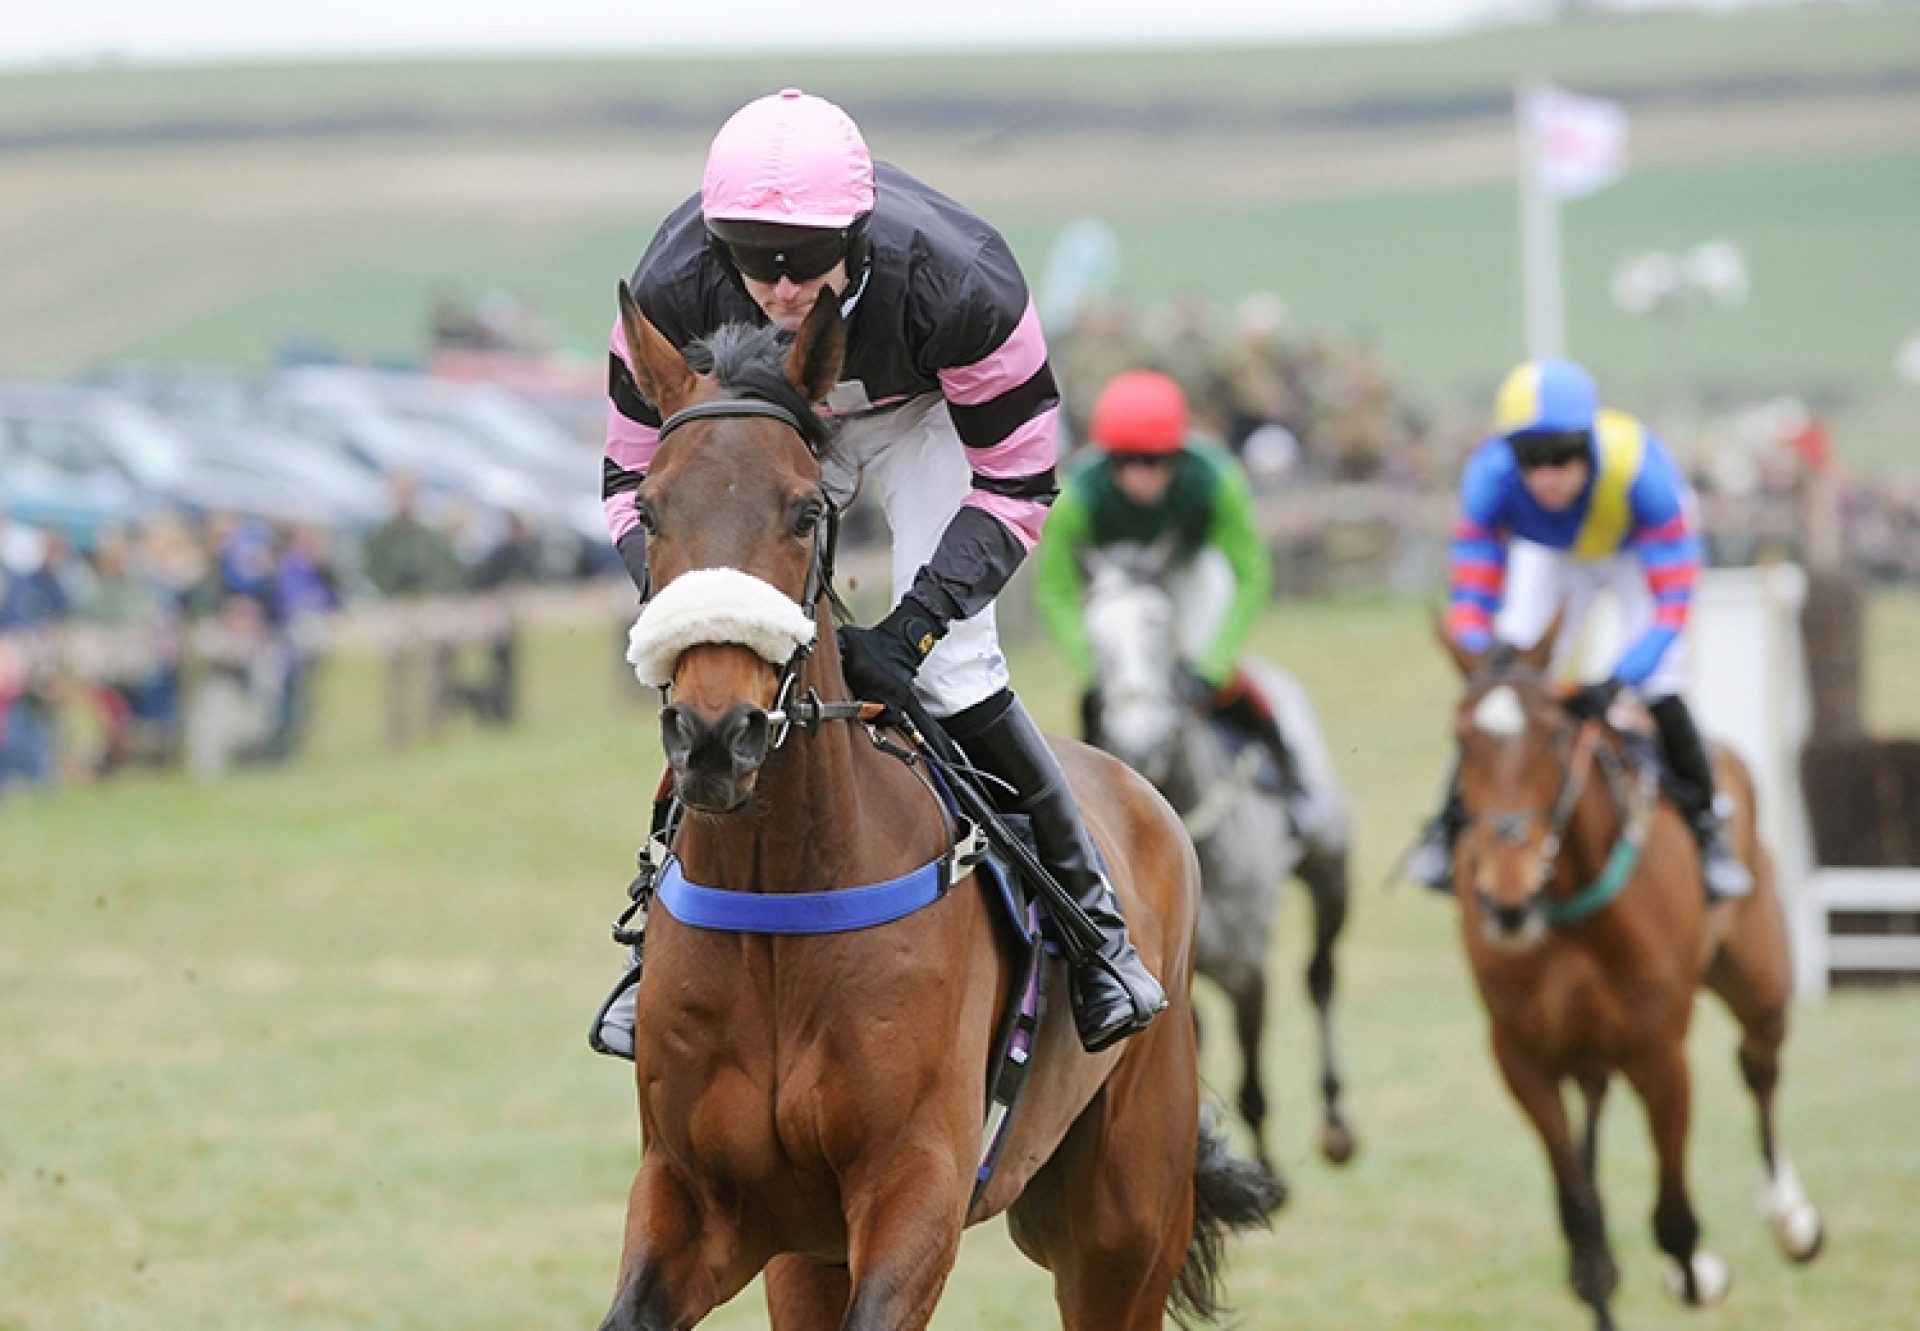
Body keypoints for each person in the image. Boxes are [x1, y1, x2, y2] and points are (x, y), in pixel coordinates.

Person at [593, 89, 1166, 1058]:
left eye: (805, 265)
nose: (778, 290)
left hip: (930, 420)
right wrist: (692, 600)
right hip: (763, 423)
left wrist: (916, 627)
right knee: (723, 664)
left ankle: (1095, 925)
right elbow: (625, 477)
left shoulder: (965, 284)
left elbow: (1019, 480)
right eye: (753, 263)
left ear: (857, 234)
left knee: (950, 672)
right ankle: (655, 938)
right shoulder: (674, 279)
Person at [1406, 357, 1753, 901]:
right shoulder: (1488, 479)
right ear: (1508, 454)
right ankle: (1444, 826)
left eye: (1564, 456)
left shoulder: (1642, 474)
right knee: (1501, 694)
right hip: (1554, 555)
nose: (1548, 476)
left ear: (1589, 443)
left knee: (1660, 682)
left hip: (1636, 554)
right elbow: (1472, 593)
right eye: (1531, 459)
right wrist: (1481, 651)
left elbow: (1671, 607)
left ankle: (1709, 831)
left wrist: (1617, 680)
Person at [1032, 369, 1313, 828]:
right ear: (1108, 457)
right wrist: (1092, 664)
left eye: (1155, 461)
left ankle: (1291, 780)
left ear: (1178, 454)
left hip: (1191, 573)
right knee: (1112, 687)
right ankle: (1084, 808)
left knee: (1218, 676)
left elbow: (1250, 574)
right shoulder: (1076, 496)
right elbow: (1056, 591)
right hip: (1115, 585)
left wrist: (1215, 664)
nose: (1141, 476)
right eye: (1126, 461)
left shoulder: (1216, 480)